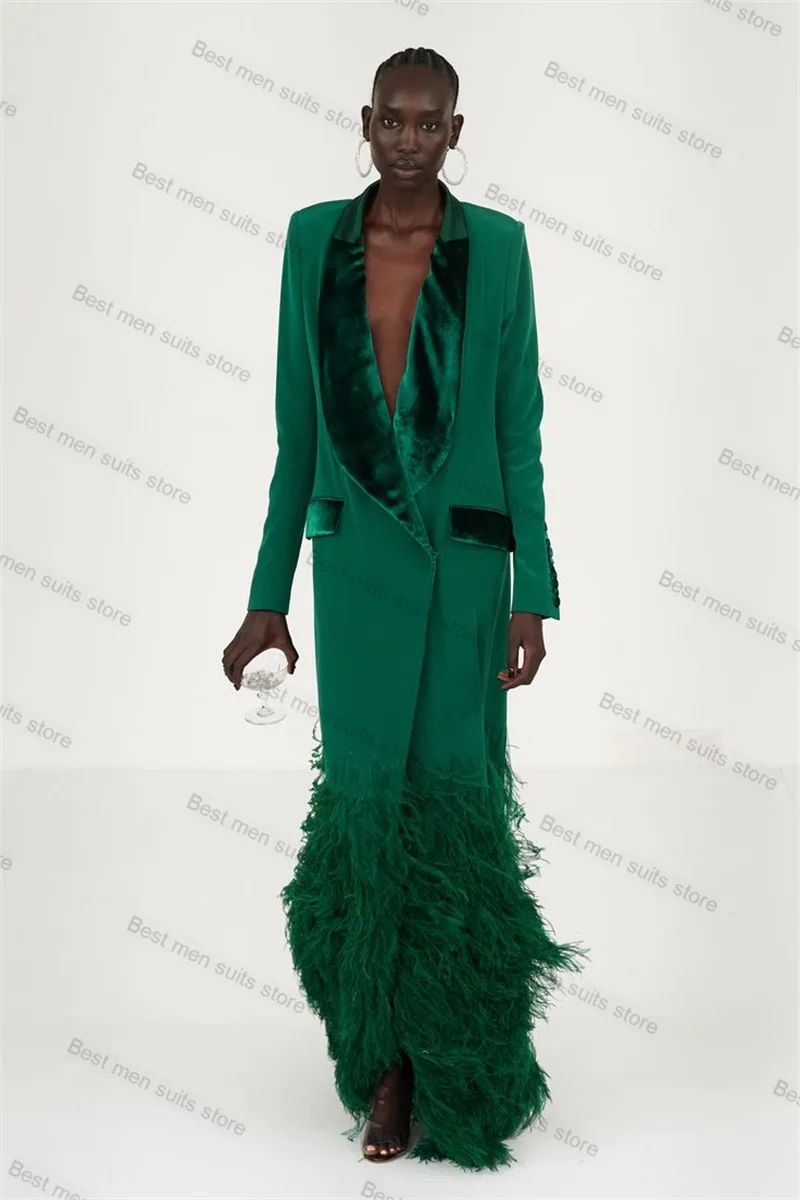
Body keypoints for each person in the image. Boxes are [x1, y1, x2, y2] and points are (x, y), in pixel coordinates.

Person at [222, 45, 585, 1172]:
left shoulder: (501, 251)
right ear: (366, 121)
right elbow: (296, 434)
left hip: (468, 572)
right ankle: (383, 1065)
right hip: (357, 573)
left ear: (456, 133)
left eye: (431, 124)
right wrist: (266, 596)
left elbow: (518, 430)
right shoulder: (310, 241)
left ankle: (456, 1057)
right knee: (370, 809)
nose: (411, 141)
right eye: (393, 120)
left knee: (455, 807)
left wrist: (535, 591)